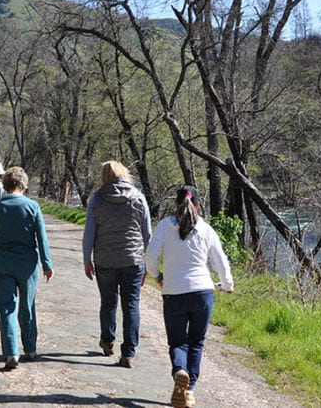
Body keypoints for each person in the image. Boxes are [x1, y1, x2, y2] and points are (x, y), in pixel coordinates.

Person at [145, 185, 234, 408]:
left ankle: (179, 371)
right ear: (198, 205)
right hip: (203, 292)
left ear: (176, 204)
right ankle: (190, 390)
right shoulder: (206, 229)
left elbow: (150, 254)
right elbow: (220, 261)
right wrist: (227, 284)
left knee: (177, 341)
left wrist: (157, 275)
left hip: (173, 291)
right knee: (196, 342)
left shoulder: (165, 226)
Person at [82, 161, 152, 368]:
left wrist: (87, 260)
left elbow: (89, 235)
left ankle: (107, 340)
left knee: (108, 302)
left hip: (105, 260)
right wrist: (149, 263)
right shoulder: (138, 197)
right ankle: (129, 352)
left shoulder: (97, 199)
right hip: (133, 260)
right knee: (131, 305)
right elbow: (147, 234)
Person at [0, 167, 54, 370]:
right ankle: (30, 349)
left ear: (5, 185)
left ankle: (11, 352)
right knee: (27, 306)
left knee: (7, 308)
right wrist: (47, 264)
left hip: (2, 262)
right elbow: (41, 238)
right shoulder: (32, 206)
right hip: (27, 263)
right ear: (23, 184)